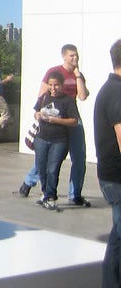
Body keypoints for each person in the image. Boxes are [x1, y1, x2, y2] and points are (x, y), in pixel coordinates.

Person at [19, 44, 91, 206]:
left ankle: (75, 194)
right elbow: (42, 96)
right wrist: (43, 114)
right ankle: (29, 182)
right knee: (46, 158)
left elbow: (83, 96)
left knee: (79, 158)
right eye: (72, 55)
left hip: (72, 119)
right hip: (53, 121)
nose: (75, 58)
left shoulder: (77, 75)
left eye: (77, 55)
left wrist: (78, 75)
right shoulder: (54, 72)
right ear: (64, 56)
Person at [94, 39, 121, 287]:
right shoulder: (117, 92)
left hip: (110, 176)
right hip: (117, 178)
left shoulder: (110, 88)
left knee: (117, 238)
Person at [33, 70, 79, 211]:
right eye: (51, 85)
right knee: (41, 168)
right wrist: (38, 115)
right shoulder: (44, 97)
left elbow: (74, 121)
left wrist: (56, 120)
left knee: (52, 169)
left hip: (59, 140)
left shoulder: (68, 100)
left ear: (62, 85)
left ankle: (50, 196)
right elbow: (35, 112)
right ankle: (46, 192)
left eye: (56, 85)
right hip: (41, 138)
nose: (53, 88)